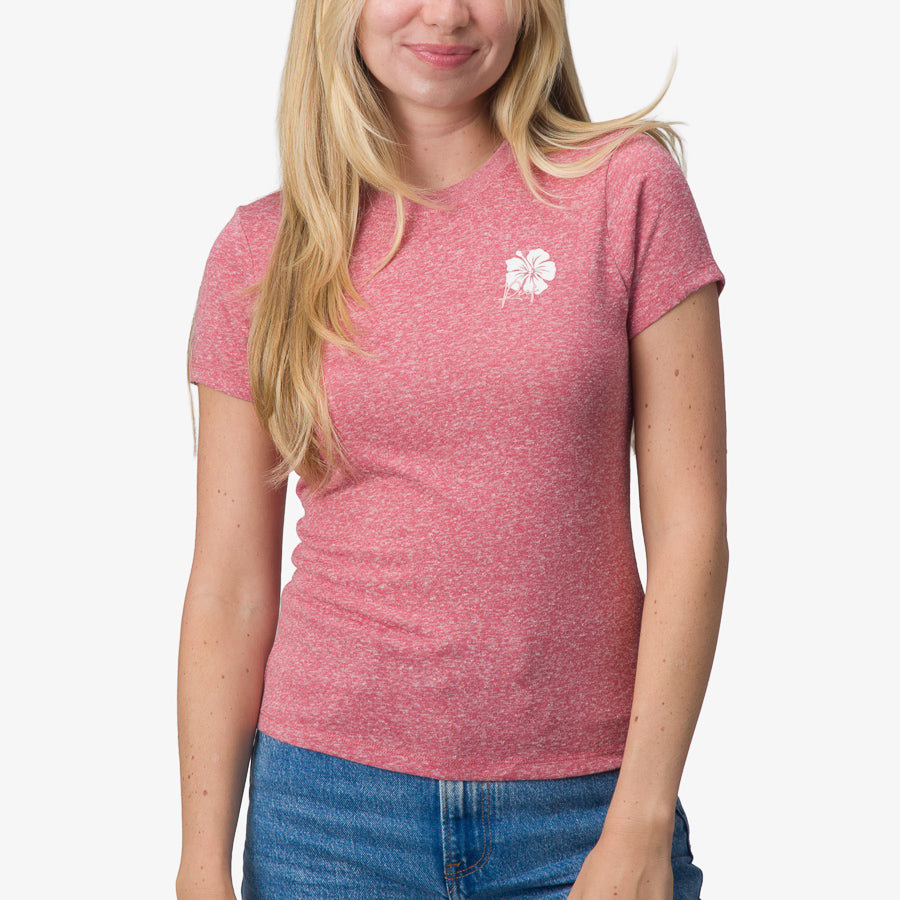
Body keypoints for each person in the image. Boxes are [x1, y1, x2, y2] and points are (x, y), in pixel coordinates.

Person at [177, 1, 728, 898]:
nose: (446, 15)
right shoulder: (261, 250)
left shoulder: (626, 191)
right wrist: (202, 859)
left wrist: (641, 814)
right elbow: (230, 585)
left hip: (585, 808)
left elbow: (691, 532)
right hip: (326, 816)